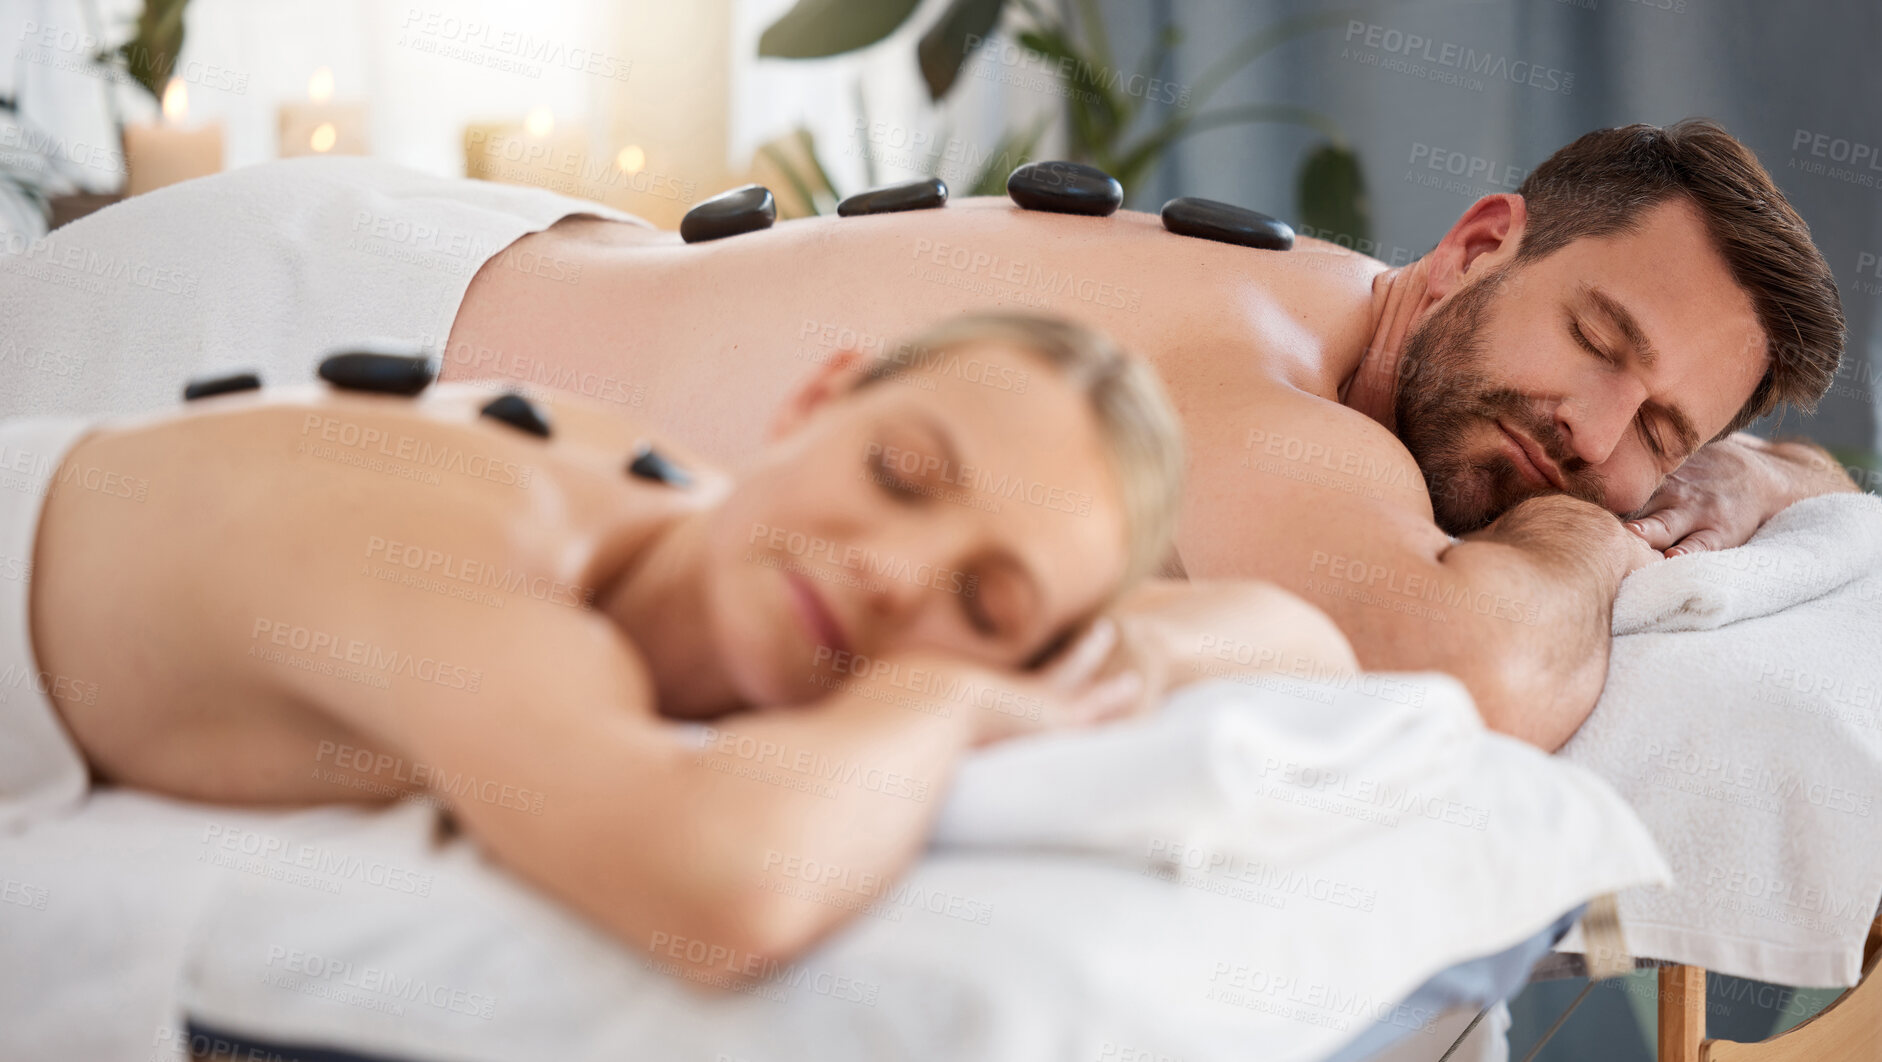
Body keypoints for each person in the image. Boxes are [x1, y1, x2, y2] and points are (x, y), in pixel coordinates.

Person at [0, 119, 1857, 747]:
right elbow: (1465, 660)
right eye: (1595, 341)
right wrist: (1612, 537)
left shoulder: (1359, 306)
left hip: (402, 263)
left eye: (1654, 427)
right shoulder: (1289, 412)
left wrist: (1759, 465)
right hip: (290, 341)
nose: (1587, 433)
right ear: (1474, 250)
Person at [10, 312, 1355, 977]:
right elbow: (729, 888)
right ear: (816, 395)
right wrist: (939, 697)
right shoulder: (492, 564)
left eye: (990, 599)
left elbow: (1306, 647)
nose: (890, 574)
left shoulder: (710, 542)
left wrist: (1089, 655)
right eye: (897, 472)